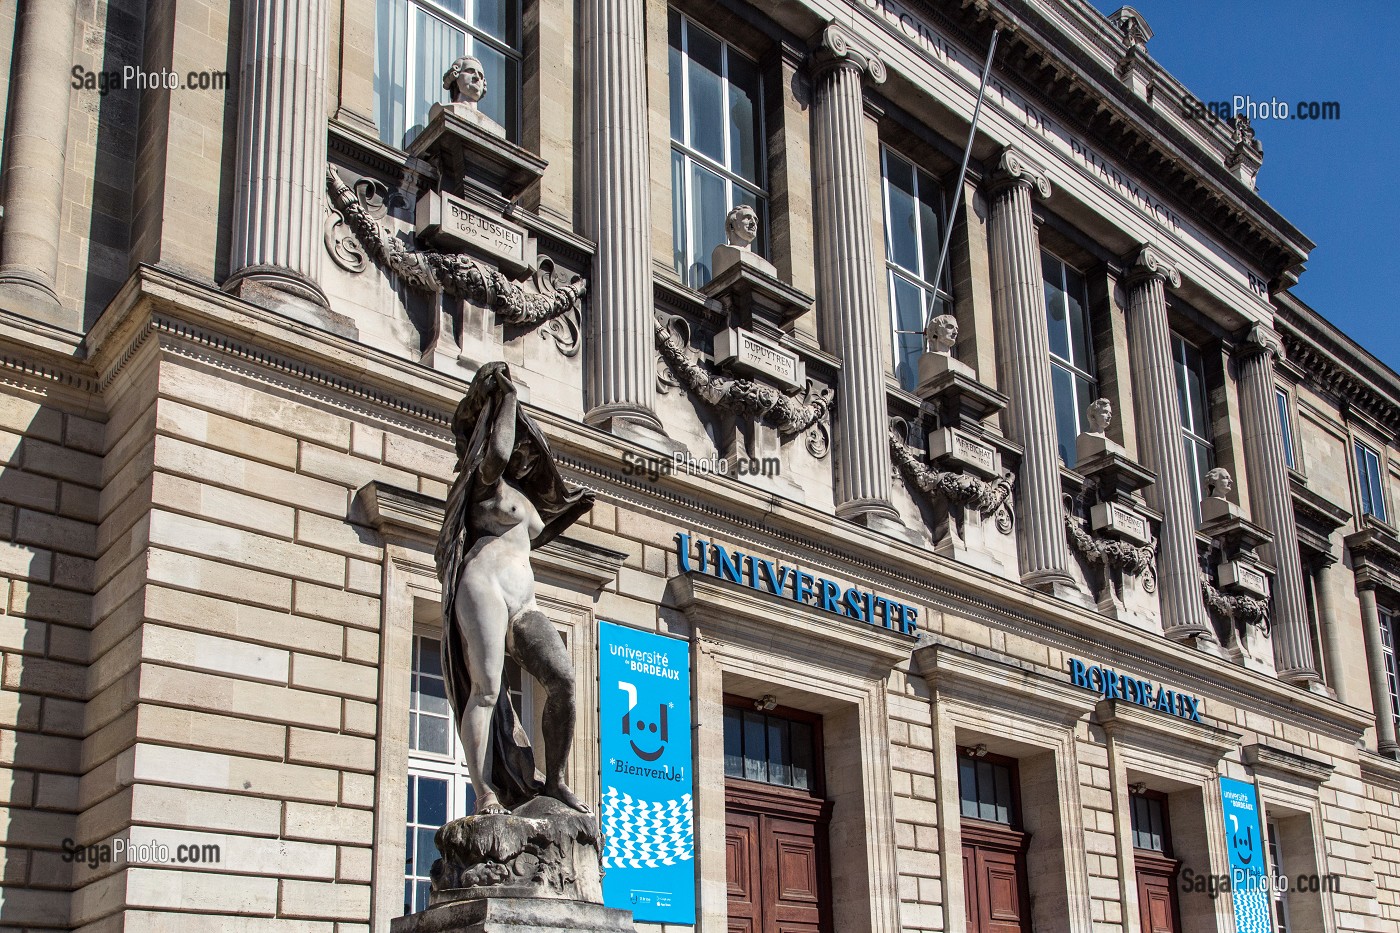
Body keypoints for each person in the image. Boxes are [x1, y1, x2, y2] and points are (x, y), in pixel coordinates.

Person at [436, 362, 594, 814]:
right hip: (482, 586)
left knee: (562, 679)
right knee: (485, 690)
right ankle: (485, 792)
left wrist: (571, 509)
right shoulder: (485, 481)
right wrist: (506, 400)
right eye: (517, 438)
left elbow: (534, 536)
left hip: (524, 602)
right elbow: (499, 454)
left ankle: (557, 781)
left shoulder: (522, 499)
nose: (522, 449)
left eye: (528, 442)